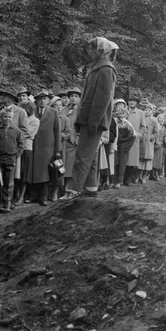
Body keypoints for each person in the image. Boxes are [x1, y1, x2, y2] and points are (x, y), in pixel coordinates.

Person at [67, 37, 118, 197]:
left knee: (82, 156)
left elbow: (102, 100)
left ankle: (73, 190)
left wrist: (93, 123)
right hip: (88, 119)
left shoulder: (106, 69)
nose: (89, 52)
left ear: (101, 51)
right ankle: (91, 188)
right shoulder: (97, 67)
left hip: (93, 121)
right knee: (91, 155)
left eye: (92, 49)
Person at [29, 89, 62, 205]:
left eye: (44, 99)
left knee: (46, 172)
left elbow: (57, 131)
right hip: (34, 145)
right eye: (40, 99)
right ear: (36, 101)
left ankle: (44, 196)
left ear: (48, 100)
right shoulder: (33, 111)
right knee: (34, 171)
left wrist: (57, 149)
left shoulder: (53, 112)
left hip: (48, 147)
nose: (42, 101)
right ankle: (33, 195)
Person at [0, 108, 24, 212]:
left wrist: (16, 155)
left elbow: (21, 144)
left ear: (12, 118)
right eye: (5, 117)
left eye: (9, 117)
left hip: (11, 158)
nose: (7, 119)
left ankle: (7, 203)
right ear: (1, 117)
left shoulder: (16, 130)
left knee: (9, 182)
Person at [15, 100, 39, 206]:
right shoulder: (20, 118)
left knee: (24, 173)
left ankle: (21, 196)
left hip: (26, 148)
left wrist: (16, 132)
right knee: (16, 174)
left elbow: (27, 133)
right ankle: (16, 195)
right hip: (17, 147)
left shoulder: (35, 121)